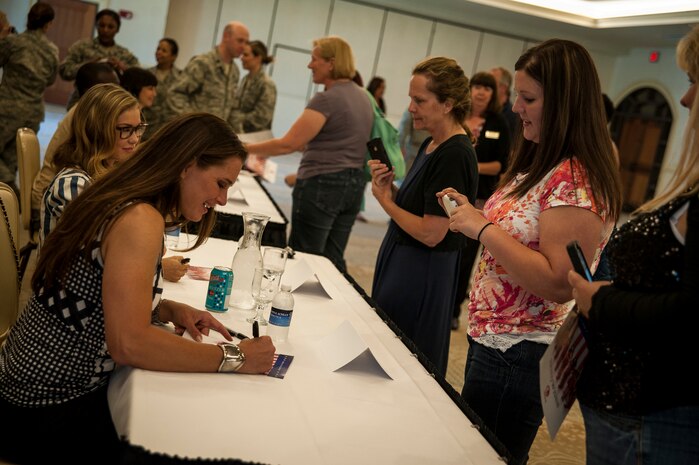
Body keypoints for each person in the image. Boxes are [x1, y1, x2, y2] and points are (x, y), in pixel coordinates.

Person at [0, 112, 276, 464]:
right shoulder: (140, 219)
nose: (222, 201)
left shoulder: (120, 194)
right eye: (220, 183)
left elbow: (90, 293)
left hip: (23, 385)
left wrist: (165, 308)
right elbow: (129, 344)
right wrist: (236, 358)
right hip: (43, 406)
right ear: (187, 165)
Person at [439, 39, 622, 464]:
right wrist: (474, 213)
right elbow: (521, 231)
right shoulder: (546, 161)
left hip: (520, 350)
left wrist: (481, 226)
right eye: (517, 95)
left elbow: (560, 282)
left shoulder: (575, 179)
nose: (516, 107)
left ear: (564, 104)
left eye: (529, 98)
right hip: (497, 341)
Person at [569, 24, 699, 465]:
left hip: (654, 416)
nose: (684, 99)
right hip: (630, 411)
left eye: (694, 83)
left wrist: (601, 301)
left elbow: (689, 312)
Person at [368, 56, 478, 376]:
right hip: (406, 260)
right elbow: (421, 207)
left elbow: (433, 232)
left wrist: (384, 203)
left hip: (421, 270)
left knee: (404, 359)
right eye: (410, 99)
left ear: (447, 104)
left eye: (419, 100)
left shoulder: (454, 154)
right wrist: (392, 191)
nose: (411, 108)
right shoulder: (433, 142)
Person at [245, 36, 372, 272]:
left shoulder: (326, 99)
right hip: (353, 188)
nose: (309, 65)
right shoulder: (363, 98)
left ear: (331, 63)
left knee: (304, 258)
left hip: (322, 186)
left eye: (314, 59)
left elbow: (288, 144)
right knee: (332, 262)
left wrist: (244, 148)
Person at [39, 83, 142, 246]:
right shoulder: (73, 185)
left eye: (138, 129)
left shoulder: (109, 172)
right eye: (125, 129)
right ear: (97, 130)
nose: (135, 138)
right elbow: (86, 256)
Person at [452, 71, 511, 330]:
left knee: (466, 255)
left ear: (493, 93)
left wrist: (470, 164)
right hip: (451, 192)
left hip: (480, 198)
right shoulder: (458, 115)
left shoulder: (498, 122)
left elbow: (500, 164)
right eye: (476, 86)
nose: (480, 91)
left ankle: (454, 309)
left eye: (486, 88)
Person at [31, 62, 120, 220]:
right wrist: (37, 208)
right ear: (89, 92)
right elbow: (51, 161)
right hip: (66, 194)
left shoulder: (103, 115)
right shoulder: (79, 116)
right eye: (108, 88)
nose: (115, 93)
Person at [0, 2, 58, 193]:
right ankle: (8, 196)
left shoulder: (13, 42)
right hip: (32, 112)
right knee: (12, 158)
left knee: (6, 162)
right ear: (48, 24)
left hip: (6, 109)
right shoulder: (52, 50)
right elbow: (50, 80)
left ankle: (10, 187)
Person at [168, 20, 249, 124]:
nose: (244, 47)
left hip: (217, 135)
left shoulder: (235, 71)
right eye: (240, 41)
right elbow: (175, 94)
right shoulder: (203, 63)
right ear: (226, 36)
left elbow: (232, 108)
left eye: (246, 42)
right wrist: (194, 122)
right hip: (197, 133)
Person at [59, 8, 139, 110]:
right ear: (96, 25)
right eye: (102, 25)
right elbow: (64, 71)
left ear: (117, 29)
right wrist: (87, 65)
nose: (105, 30)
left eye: (110, 27)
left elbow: (138, 78)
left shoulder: (124, 54)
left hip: (110, 107)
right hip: (81, 103)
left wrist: (122, 67)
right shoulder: (82, 47)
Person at [230, 40, 277, 134]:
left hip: (255, 139)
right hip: (240, 135)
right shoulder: (245, 80)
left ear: (258, 58)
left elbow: (262, 117)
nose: (241, 58)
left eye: (246, 55)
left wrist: (235, 118)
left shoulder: (266, 84)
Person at [143, 37, 182, 139]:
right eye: (158, 49)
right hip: (147, 131)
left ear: (173, 56)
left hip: (171, 132)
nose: (159, 52)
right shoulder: (146, 74)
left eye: (164, 50)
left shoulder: (181, 77)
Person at [397, 107, 430, 172]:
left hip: (429, 153)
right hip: (412, 152)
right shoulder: (411, 110)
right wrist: (400, 149)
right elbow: (402, 133)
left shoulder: (435, 111)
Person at [490, 66, 518, 140]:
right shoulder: (483, 110)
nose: (486, 86)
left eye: (491, 83)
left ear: (503, 88)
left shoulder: (512, 117)